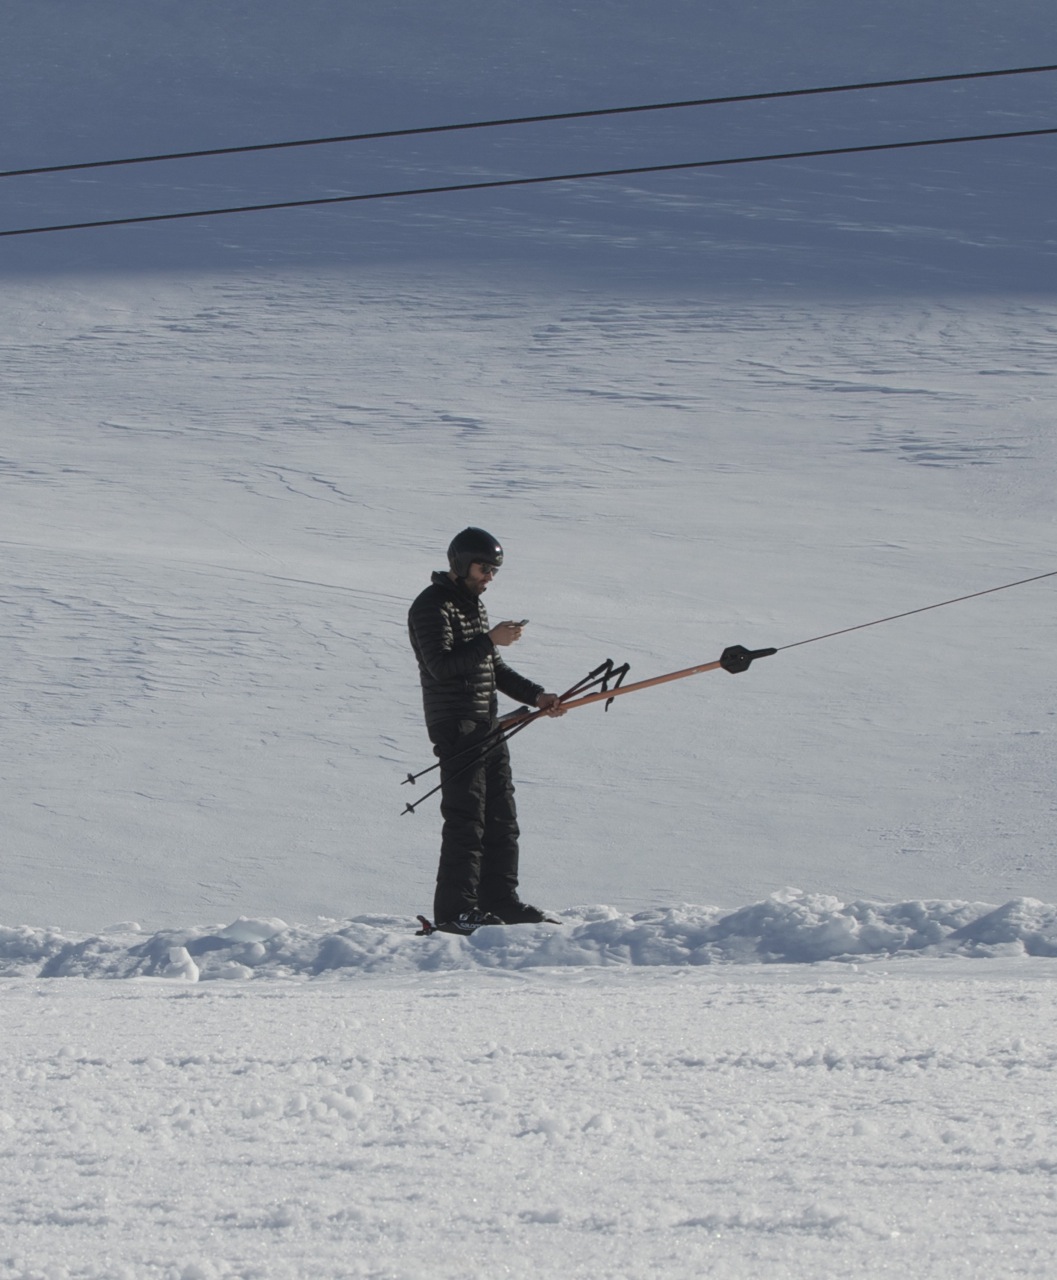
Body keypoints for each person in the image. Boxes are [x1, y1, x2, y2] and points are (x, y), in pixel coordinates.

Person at [408, 527, 564, 934]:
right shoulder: (430, 606)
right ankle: (456, 910)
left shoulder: (473, 607)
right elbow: (441, 665)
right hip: (455, 725)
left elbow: (492, 669)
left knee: (502, 817)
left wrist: (538, 697)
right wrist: (489, 638)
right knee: (466, 820)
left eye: (494, 571)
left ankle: (500, 901)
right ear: (460, 563)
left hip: (487, 723)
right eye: (483, 568)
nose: (489, 578)